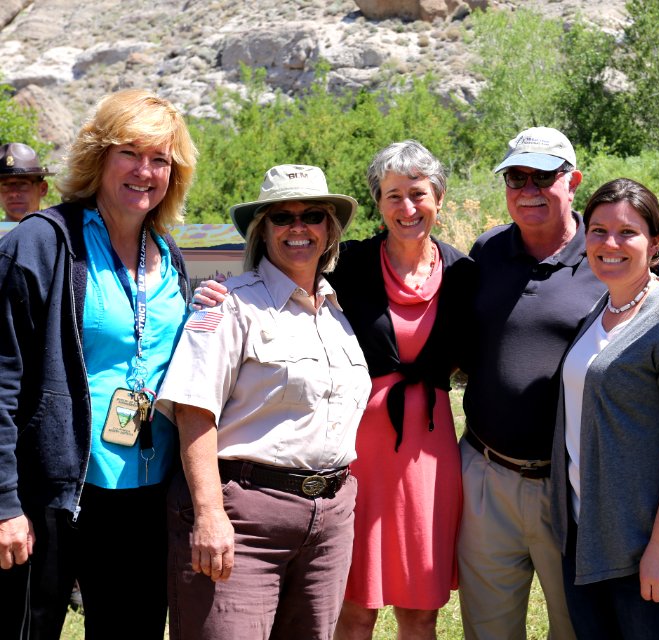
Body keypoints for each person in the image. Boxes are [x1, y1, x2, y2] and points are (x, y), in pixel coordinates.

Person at [0, 89, 197, 640]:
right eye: (129, 153)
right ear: (98, 157)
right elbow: (2, 382)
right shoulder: (42, 244)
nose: (145, 171)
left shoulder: (168, 254)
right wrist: (4, 504)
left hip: (145, 491)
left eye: (160, 158)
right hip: (54, 493)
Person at [157, 164, 371, 640]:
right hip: (244, 516)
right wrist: (210, 514)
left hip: (329, 521)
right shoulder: (228, 305)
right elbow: (194, 411)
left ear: (330, 229)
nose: (299, 227)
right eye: (282, 217)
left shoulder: (338, 313)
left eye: (313, 214)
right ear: (262, 229)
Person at [551, 177, 659, 639]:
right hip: (593, 541)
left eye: (627, 232)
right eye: (598, 230)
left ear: (657, 241)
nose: (610, 243)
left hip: (655, 546)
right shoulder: (600, 310)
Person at [458, 126, 606, 640]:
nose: (528, 189)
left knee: (576, 628)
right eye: (516, 177)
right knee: (488, 630)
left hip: (571, 485)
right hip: (485, 470)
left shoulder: (607, 253)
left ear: (574, 181)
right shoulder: (487, 250)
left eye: (543, 176)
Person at [330, 141, 472, 639]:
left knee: (420, 610)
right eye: (393, 195)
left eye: (418, 193)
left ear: (438, 197)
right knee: (353, 607)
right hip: (356, 454)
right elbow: (286, 285)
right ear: (378, 202)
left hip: (428, 459)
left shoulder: (463, 274)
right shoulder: (347, 265)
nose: (407, 208)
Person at [0, 142, 53, 222]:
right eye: (5, 185)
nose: (13, 193)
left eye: (22, 184)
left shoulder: (59, 233)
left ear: (43, 189)